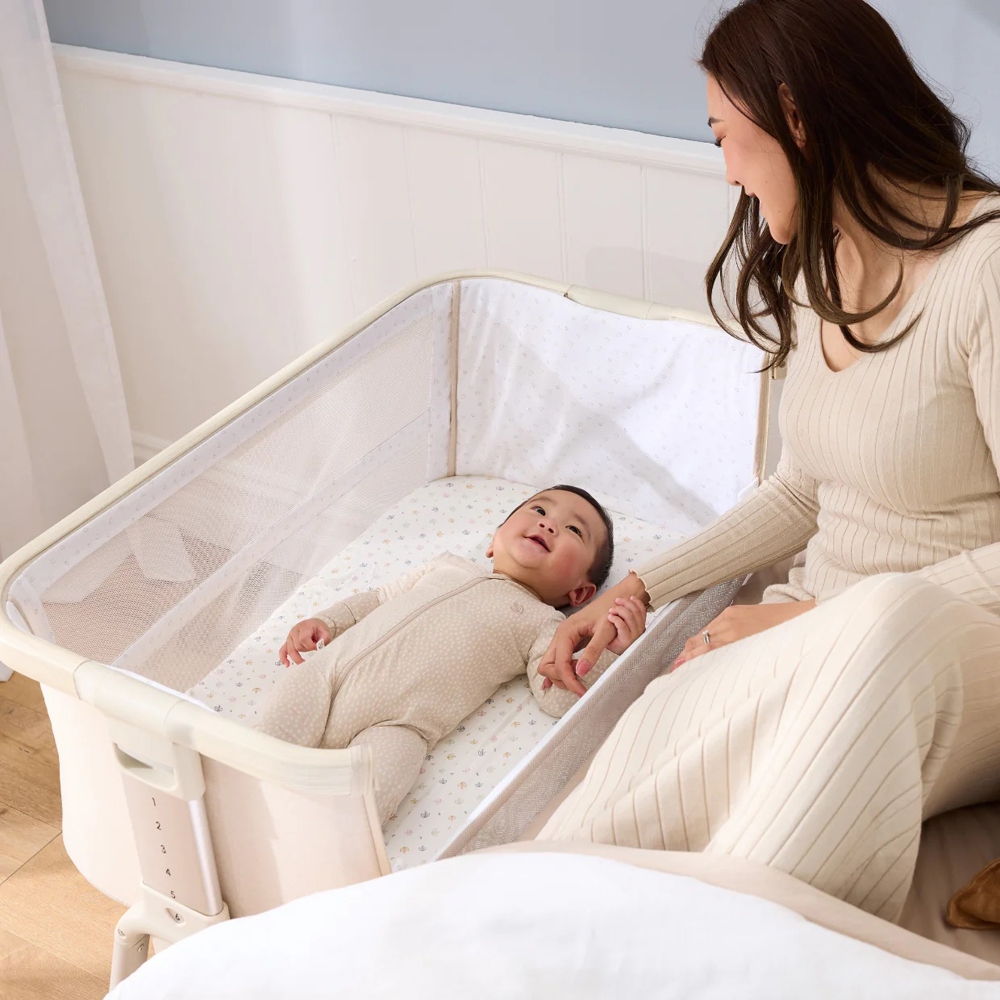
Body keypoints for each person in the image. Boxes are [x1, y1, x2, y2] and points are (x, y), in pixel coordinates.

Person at [536, 0, 1000, 921]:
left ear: (795, 114)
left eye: (723, 136)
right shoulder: (821, 263)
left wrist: (816, 620)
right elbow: (800, 491)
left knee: (879, 630)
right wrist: (642, 588)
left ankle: (732, 955)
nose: (727, 173)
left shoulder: (986, 268)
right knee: (624, 782)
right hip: (821, 629)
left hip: (941, 644)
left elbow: (881, 623)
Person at [255, 486, 646, 824]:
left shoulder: (545, 624)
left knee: (381, 780)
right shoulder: (446, 566)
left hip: (399, 726)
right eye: (539, 510)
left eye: (574, 530)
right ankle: (245, 792)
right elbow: (379, 598)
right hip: (327, 675)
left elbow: (558, 695)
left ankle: (328, 837)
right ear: (493, 541)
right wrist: (328, 621)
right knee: (265, 749)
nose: (549, 525)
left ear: (579, 593)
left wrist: (611, 652)